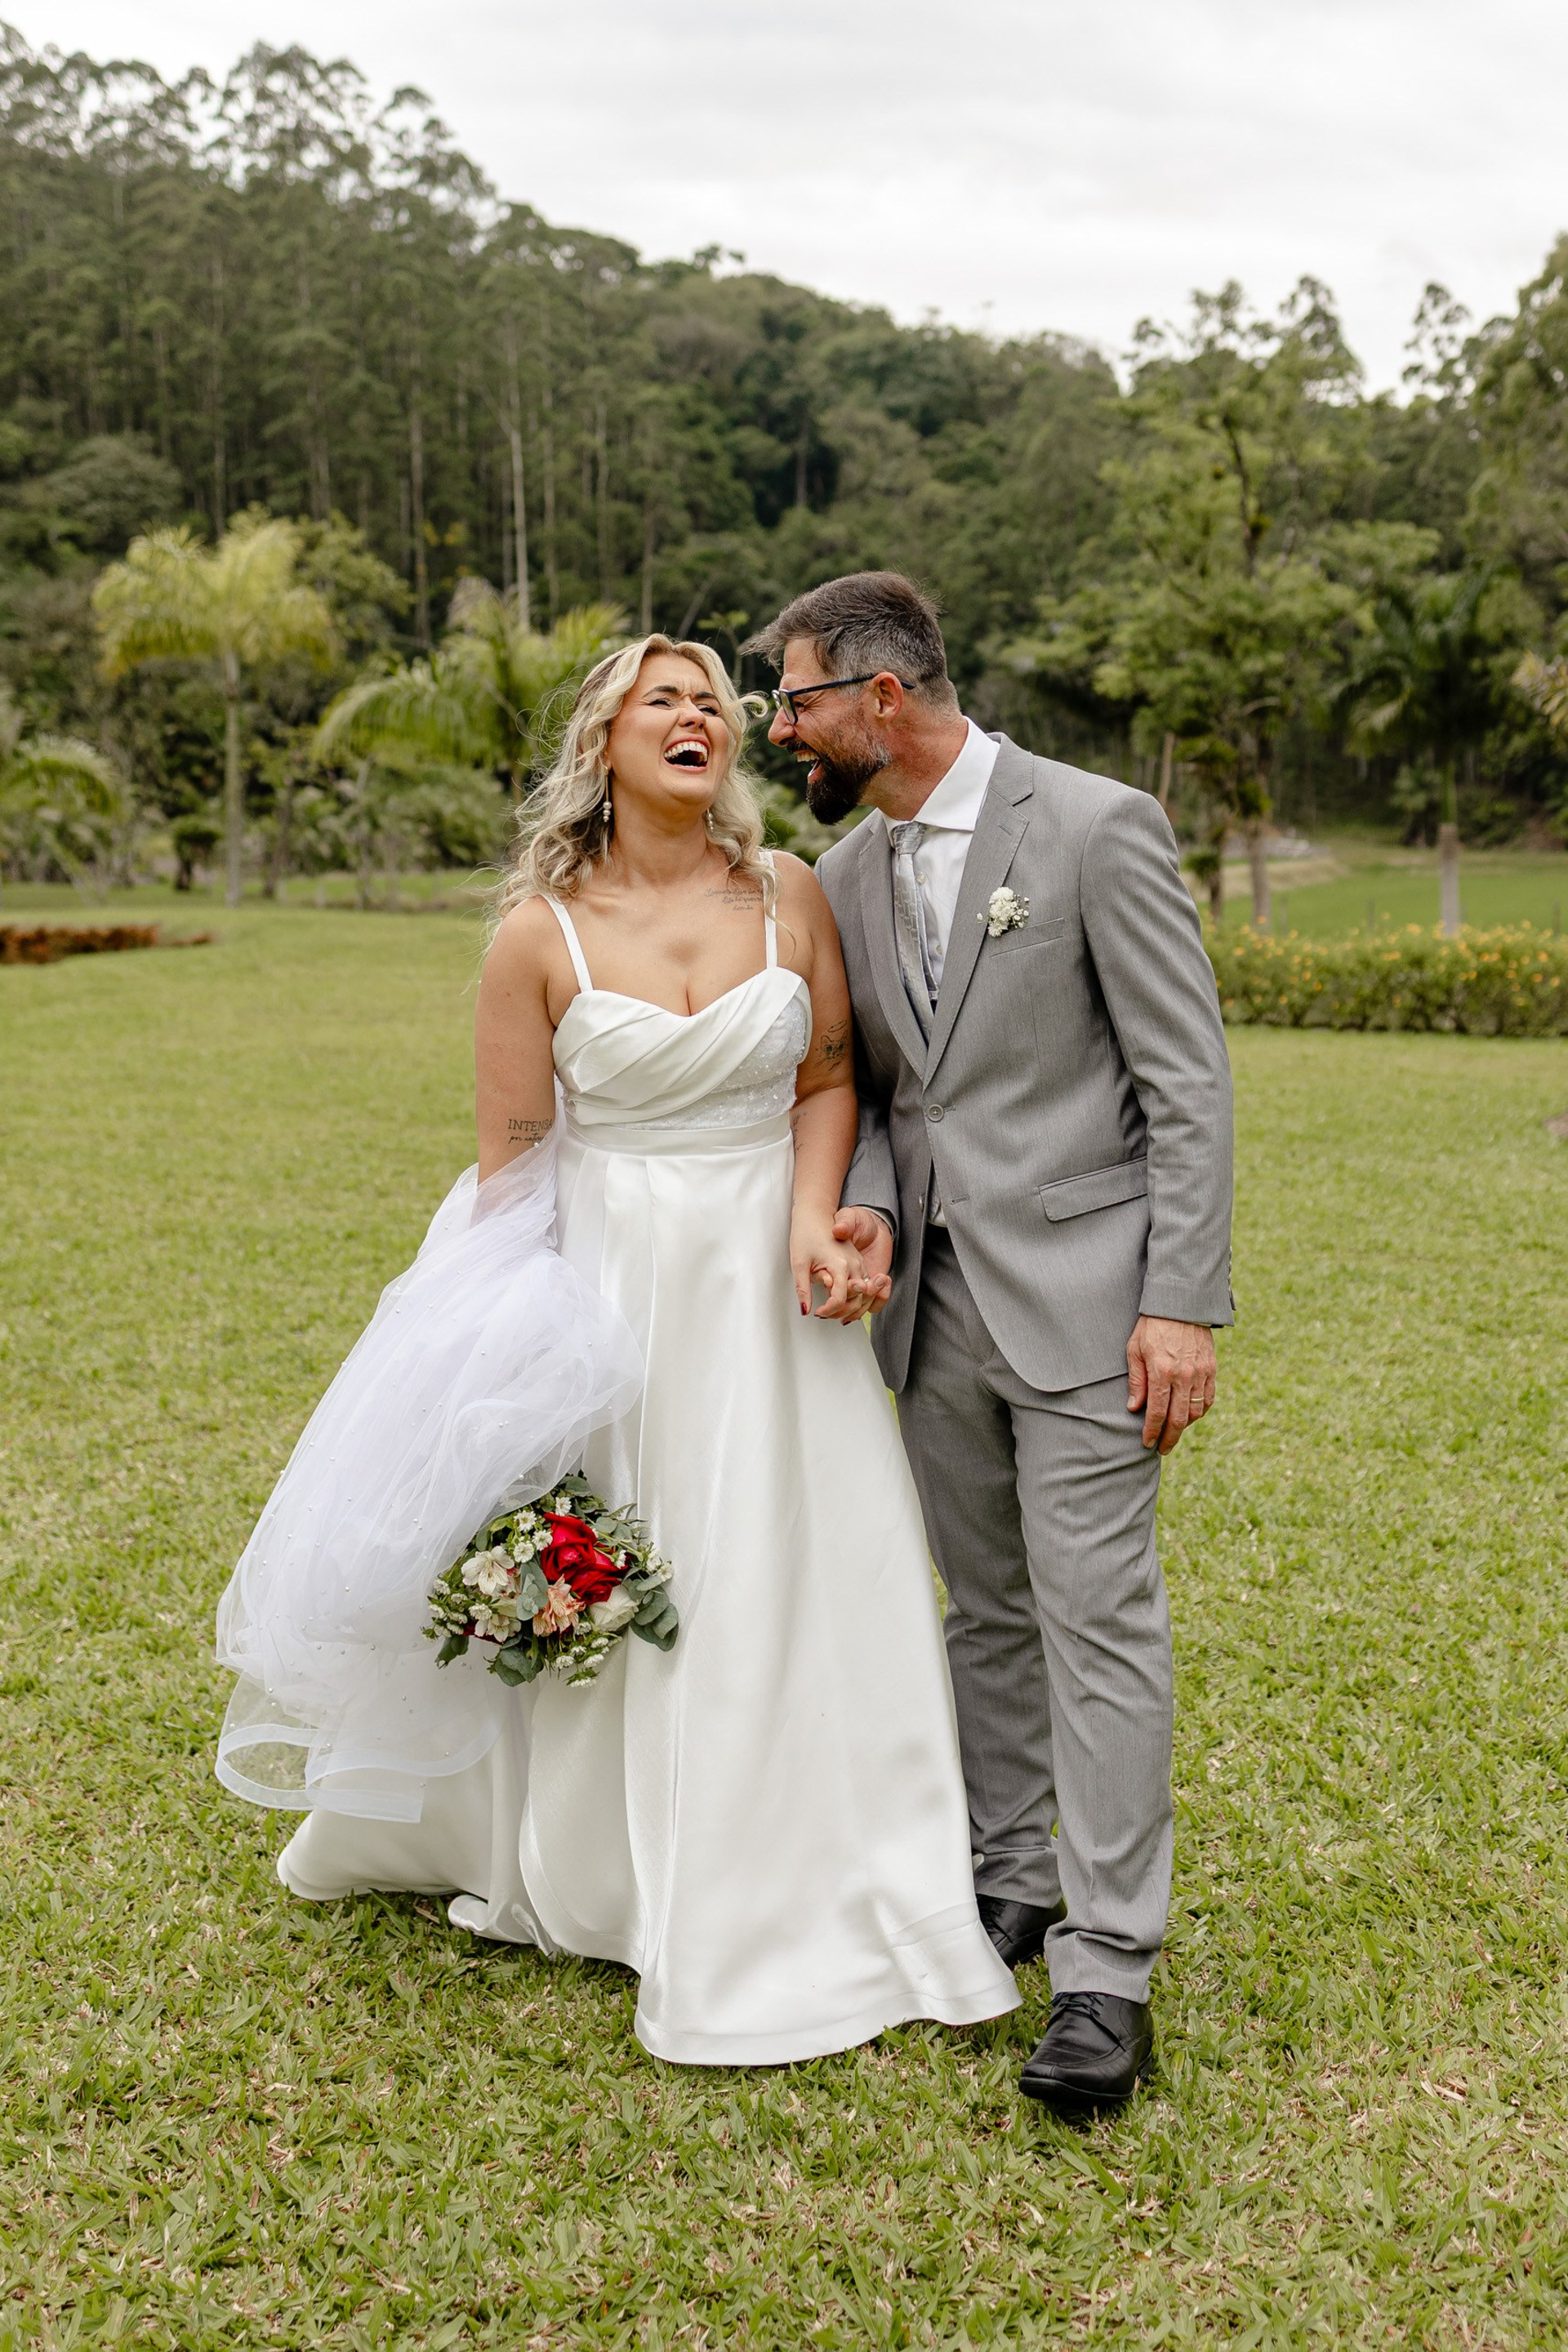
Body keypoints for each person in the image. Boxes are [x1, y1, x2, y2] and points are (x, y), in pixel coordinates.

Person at [215, 632, 1018, 2067]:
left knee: (790, 1548)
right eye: (669, 700)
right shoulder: (539, 933)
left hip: (770, 1274)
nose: (702, 715)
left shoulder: (790, 894)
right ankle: (603, 1865)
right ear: (607, 742)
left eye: (716, 699)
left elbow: (826, 1078)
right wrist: (508, 1355)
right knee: (633, 1554)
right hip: (612, 1281)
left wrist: (817, 1214)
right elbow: (514, 1162)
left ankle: (821, 1843)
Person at [747, 572, 1234, 2112]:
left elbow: (1188, 1080)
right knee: (987, 1612)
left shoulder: (1094, 829)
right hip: (933, 1318)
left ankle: (1106, 1969)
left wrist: (1181, 1299)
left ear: (882, 699)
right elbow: (887, 1097)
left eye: (797, 698)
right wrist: (876, 1213)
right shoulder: (840, 867)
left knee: (1099, 1617)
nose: (783, 726)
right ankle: (1011, 1876)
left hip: (1096, 1300)